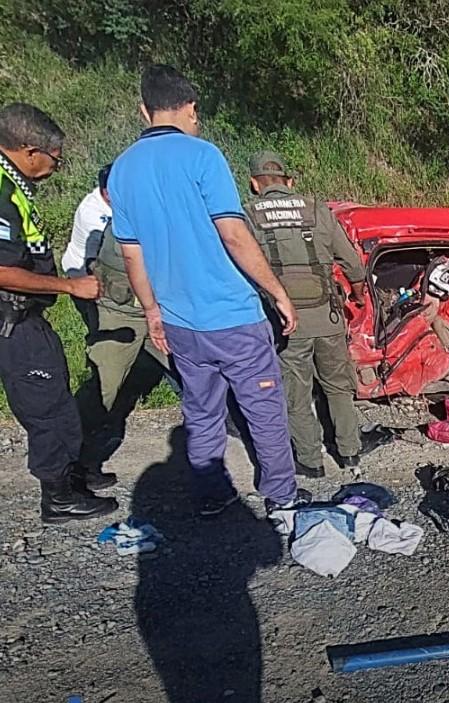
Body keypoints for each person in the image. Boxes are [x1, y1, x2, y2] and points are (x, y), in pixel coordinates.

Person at [108, 65, 308, 517]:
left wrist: (152, 311)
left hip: (179, 322)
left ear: (144, 110)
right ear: (191, 109)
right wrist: (277, 292)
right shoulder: (204, 156)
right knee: (264, 410)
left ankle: (212, 496)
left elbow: (132, 256)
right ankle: (281, 496)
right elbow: (233, 234)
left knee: (201, 413)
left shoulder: (122, 170)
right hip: (233, 316)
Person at [0, 102, 118, 523]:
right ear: (30, 151)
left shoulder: (12, 184)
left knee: (55, 396)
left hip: (26, 316)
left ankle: (72, 477)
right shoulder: (1, 192)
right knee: (46, 405)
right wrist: (69, 285)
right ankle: (59, 496)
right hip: (13, 319)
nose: (56, 168)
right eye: (55, 159)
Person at [244, 151, 366, 478]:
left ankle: (311, 461)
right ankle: (350, 453)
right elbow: (352, 264)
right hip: (327, 318)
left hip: (286, 323)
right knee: (338, 387)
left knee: (296, 394)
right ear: (290, 181)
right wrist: (357, 295)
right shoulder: (317, 210)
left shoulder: (248, 216)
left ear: (254, 184)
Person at [75, 220, 178, 470]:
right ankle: (72, 463)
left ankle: (218, 443)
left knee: (199, 374)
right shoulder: (118, 209)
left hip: (169, 306)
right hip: (119, 308)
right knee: (104, 385)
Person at [62, 164, 112, 330]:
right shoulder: (93, 215)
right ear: (107, 193)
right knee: (100, 328)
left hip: (100, 273)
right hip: (84, 276)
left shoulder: (110, 198)